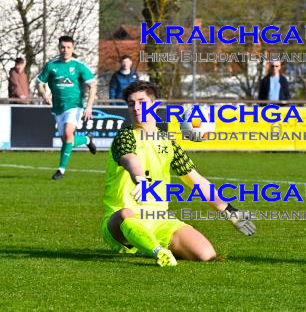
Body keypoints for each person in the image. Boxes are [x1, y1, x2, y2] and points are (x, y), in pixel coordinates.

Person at [102, 80, 256, 267]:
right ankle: (157, 251)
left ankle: (150, 244)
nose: (135, 107)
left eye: (141, 102)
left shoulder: (168, 142)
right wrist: (141, 180)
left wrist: (229, 211)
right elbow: (130, 159)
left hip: (158, 219)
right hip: (120, 221)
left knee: (206, 254)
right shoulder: (124, 136)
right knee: (126, 214)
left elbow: (196, 181)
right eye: (131, 103)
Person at [37, 36, 97, 180]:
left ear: (73, 48)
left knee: (69, 134)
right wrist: (45, 95)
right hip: (58, 107)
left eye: (69, 47)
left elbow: (93, 85)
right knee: (66, 140)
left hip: (75, 106)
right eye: (63, 47)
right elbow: (39, 82)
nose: (65, 50)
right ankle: (87, 140)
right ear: (59, 48)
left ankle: (61, 170)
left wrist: (89, 107)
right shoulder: (51, 65)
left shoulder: (78, 66)